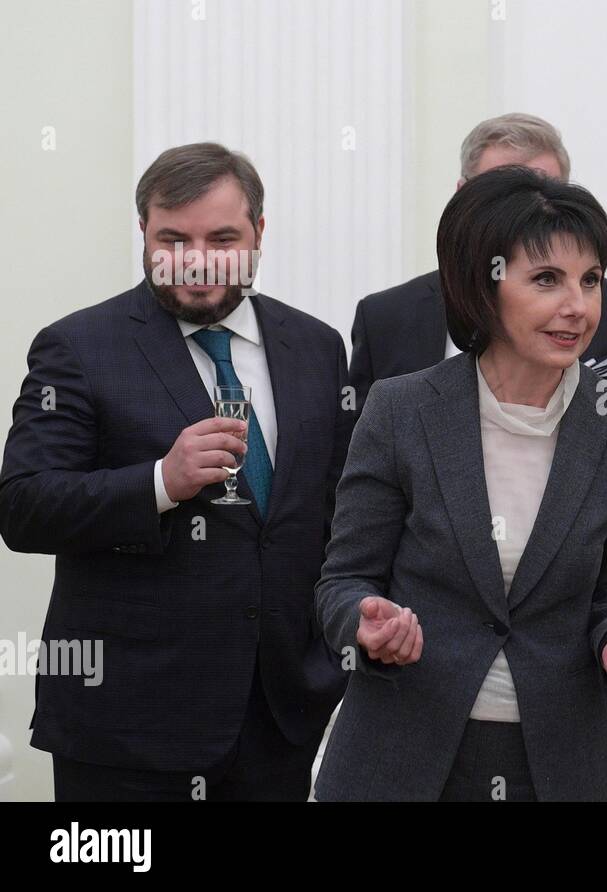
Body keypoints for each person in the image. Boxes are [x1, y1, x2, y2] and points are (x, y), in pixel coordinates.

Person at [0, 143, 352, 800]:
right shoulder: (77, 347)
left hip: (276, 723)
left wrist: (331, 660)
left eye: (222, 237)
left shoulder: (316, 346)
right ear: (143, 234)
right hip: (126, 729)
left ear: (259, 233)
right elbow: (23, 506)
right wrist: (160, 481)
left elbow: (337, 516)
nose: (195, 259)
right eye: (172, 238)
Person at [314, 166, 607, 801]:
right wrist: (365, 623)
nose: (576, 307)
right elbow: (342, 582)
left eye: (591, 281)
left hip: (556, 762)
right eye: (547, 280)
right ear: (485, 285)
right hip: (404, 758)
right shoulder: (401, 409)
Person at [349, 113, 607, 531]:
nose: (576, 308)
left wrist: (577, 506)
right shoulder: (386, 320)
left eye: (541, 191)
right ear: (464, 202)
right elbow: (357, 485)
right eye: (502, 196)